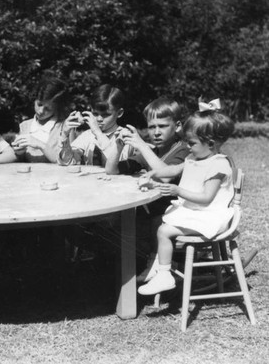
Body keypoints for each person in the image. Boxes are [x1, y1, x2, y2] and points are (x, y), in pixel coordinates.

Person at [137, 105, 236, 295]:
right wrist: (152, 175)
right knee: (162, 221)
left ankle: (164, 273)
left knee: (163, 230)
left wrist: (177, 190)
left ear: (211, 143)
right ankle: (161, 266)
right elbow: (172, 170)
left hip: (210, 215)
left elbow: (206, 198)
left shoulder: (218, 165)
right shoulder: (194, 156)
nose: (187, 147)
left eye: (191, 143)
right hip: (195, 210)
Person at [105, 97, 190, 267]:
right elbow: (111, 170)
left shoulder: (183, 149)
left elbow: (165, 175)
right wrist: (118, 146)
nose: (156, 132)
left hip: (180, 211)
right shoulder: (153, 151)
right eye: (152, 127)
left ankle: (157, 263)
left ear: (178, 126)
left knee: (144, 219)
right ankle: (138, 261)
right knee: (119, 220)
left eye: (163, 126)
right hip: (155, 210)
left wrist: (142, 145)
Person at [58, 84, 128, 167]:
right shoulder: (88, 135)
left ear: (119, 113)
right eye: (95, 114)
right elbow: (67, 162)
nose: (99, 119)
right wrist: (64, 135)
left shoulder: (126, 135)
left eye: (106, 115)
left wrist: (98, 133)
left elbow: (119, 165)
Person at [12, 76, 72, 163]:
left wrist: (40, 145)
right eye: (39, 104)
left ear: (57, 108)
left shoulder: (65, 127)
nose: (40, 111)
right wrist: (19, 153)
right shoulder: (25, 126)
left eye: (48, 109)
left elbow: (68, 161)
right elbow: (21, 161)